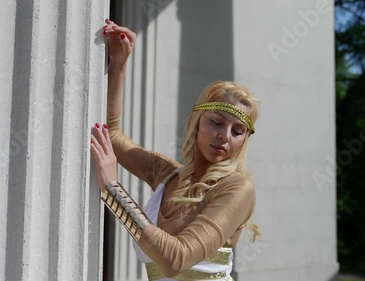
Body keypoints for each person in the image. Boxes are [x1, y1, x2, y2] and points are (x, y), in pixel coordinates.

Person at [90, 19, 260, 281]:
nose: (224, 136)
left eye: (237, 131)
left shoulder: (236, 188)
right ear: (195, 123)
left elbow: (175, 261)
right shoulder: (166, 174)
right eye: (216, 122)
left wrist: (113, 189)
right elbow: (111, 135)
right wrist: (119, 63)